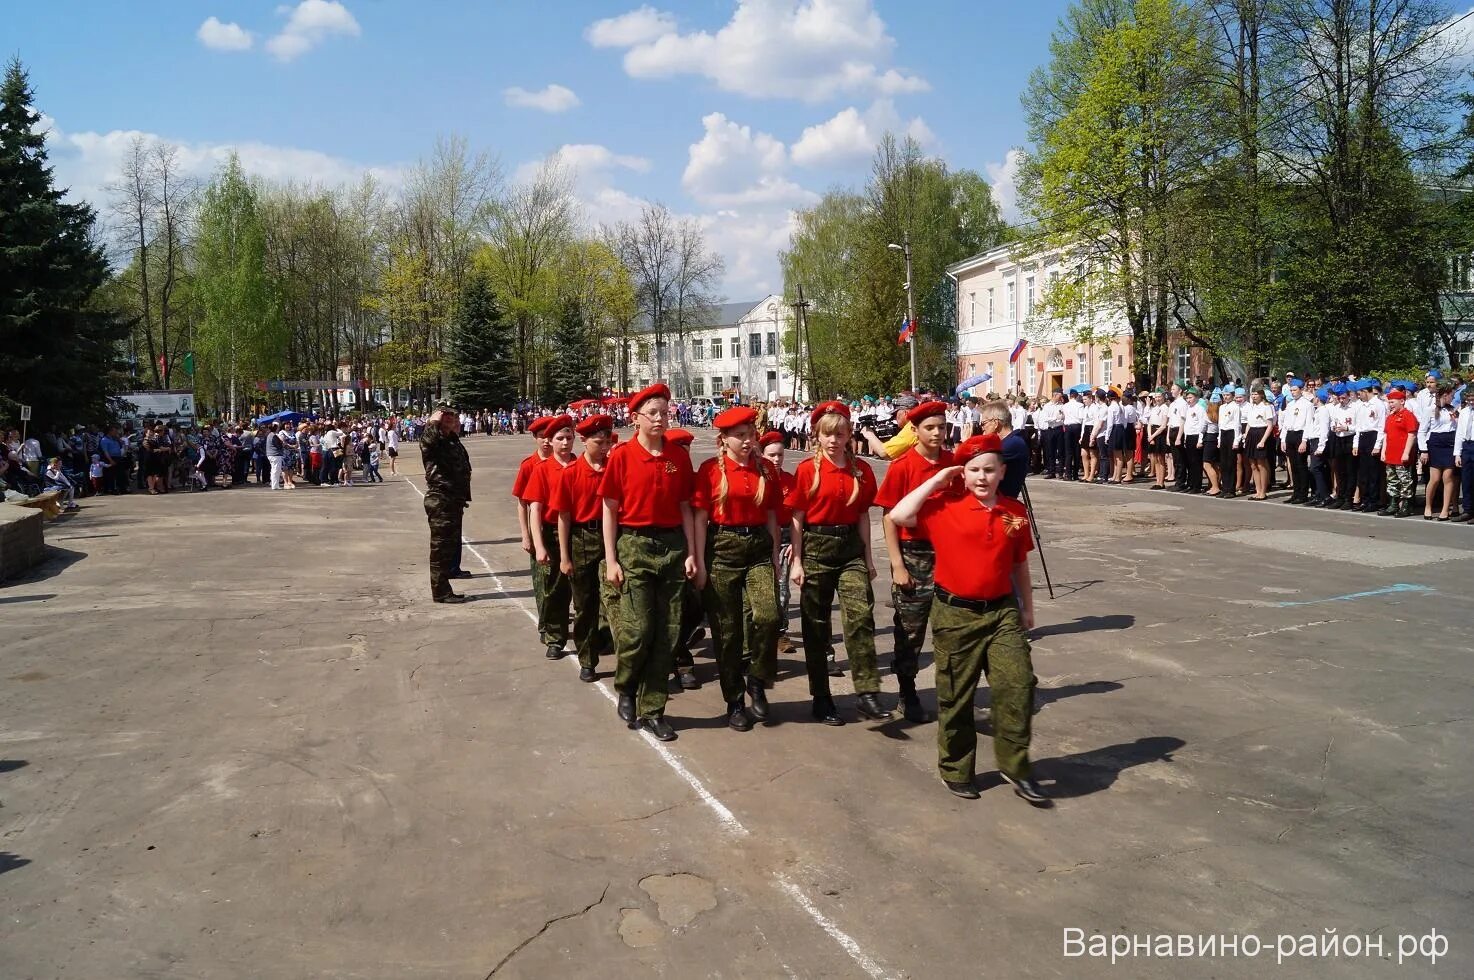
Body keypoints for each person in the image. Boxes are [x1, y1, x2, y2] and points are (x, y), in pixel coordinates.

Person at [886, 433, 1047, 806]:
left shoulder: (1014, 512)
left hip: (1002, 610)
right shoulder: (943, 506)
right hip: (956, 612)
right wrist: (937, 480)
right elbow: (898, 515)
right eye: (973, 469)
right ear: (963, 472)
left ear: (1002, 471)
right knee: (957, 695)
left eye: (989, 470)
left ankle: (1015, 765)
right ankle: (956, 769)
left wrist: (1028, 607)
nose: (981, 477)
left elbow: (1020, 563)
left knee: (1018, 684)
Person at [602, 383, 697, 742]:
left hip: (672, 544)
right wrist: (611, 559)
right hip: (635, 544)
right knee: (639, 629)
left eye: (664, 412)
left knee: (668, 632)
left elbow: (687, 506)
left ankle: (654, 708)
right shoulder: (623, 456)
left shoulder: (678, 456)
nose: (660, 418)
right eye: (652, 413)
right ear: (636, 417)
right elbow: (610, 509)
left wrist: (690, 551)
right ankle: (626, 685)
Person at [786, 401, 888, 726]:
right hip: (816, 548)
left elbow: (862, 517)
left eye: (840, 434)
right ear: (817, 435)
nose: (833, 441)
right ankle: (822, 697)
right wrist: (797, 561)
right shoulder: (807, 470)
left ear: (849, 435)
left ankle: (867, 692)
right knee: (816, 627)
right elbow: (797, 520)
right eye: (827, 434)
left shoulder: (862, 470)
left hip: (849, 552)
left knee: (860, 617)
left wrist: (869, 560)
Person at [691, 406, 782, 732]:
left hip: (757, 549)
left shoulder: (766, 471)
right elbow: (700, 520)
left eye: (750, 435)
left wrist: (774, 554)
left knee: (770, 616)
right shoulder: (709, 471)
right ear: (723, 440)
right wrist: (699, 562)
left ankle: (757, 679)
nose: (747, 441)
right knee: (727, 634)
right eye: (739, 436)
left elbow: (772, 514)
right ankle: (734, 701)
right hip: (721, 551)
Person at [874, 400, 951, 724]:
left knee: (949, 630)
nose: (936, 433)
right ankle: (907, 692)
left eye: (941, 427)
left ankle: (951, 696)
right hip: (913, 554)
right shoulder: (903, 466)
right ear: (914, 431)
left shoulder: (953, 463)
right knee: (911, 630)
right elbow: (889, 517)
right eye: (929, 428)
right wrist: (897, 565)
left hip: (948, 554)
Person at [554, 414, 617, 683]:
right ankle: (587, 658)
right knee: (585, 603)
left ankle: (610, 642)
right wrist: (565, 557)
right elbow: (564, 517)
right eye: (599, 442)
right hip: (582, 538)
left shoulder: (615, 469)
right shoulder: (570, 474)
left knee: (615, 599)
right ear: (584, 441)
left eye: (607, 442)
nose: (604, 448)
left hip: (612, 538)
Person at [528, 415, 577, 658]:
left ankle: (592, 635)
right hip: (552, 533)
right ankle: (555, 637)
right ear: (551, 441)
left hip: (578, 532)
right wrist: (538, 545)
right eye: (560, 438)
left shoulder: (580, 465)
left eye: (569, 437)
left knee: (583, 586)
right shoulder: (542, 469)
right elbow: (534, 509)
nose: (565, 443)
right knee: (556, 588)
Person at [419, 403, 473, 604]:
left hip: (453, 499)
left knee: (449, 547)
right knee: (440, 549)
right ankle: (440, 591)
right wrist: (433, 421)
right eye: (447, 417)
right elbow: (427, 439)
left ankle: (445, 585)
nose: (452, 420)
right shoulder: (433, 440)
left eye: (454, 417)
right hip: (441, 499)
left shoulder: (451, 440)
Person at [760, 430, 799, 656]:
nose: (776, 460)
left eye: (780, 455)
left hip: (784, 539)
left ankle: (781, 633)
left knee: (782, 590)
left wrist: (796, 541)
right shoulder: (757, 477)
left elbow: (797, 516)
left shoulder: (789, 481)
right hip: (760, 537)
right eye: (771, 455)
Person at [1419, 385, 1458, 520]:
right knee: (1434, 479)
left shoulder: (1453, 410)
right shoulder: (1430, 410)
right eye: (1451, 395)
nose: (1453, 397)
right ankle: (1428, 506)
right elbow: (1422, 431)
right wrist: (1423, 450)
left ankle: (1445, 509)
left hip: (1450, 443)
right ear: (1444, 395)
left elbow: (1458, 427)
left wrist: (1456, 420)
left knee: (1448, 477)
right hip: (1435, 442)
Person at [1380, 389, 1420, 517]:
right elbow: (1386, 435)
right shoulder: (1390, 416)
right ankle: (1393, 504)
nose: (1390, 405)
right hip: (1390, 455)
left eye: (1392, 402)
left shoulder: (1408, 415)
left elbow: (1412, 435)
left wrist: (1406, 452)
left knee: (1405, 481)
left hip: (1402, 455)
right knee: (1392, 480)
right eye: (1389, 402)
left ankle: (1407, 506)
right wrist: (1383, 451)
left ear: (1402, 401)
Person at [1280, 380, 1313, 504]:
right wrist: (1283, 439)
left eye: (1295, 390)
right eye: (1291, 390)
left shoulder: (1307, 405)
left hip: (1300, 434)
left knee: (1301, 465)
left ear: (1301, 389)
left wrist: (1304, 441)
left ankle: (1303, 494)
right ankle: (1296, 492)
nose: (1293, 392)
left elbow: (1309, 423)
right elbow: (1286, 423)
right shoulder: (1290, 405)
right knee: (1293, 466)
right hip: (1290, 435)